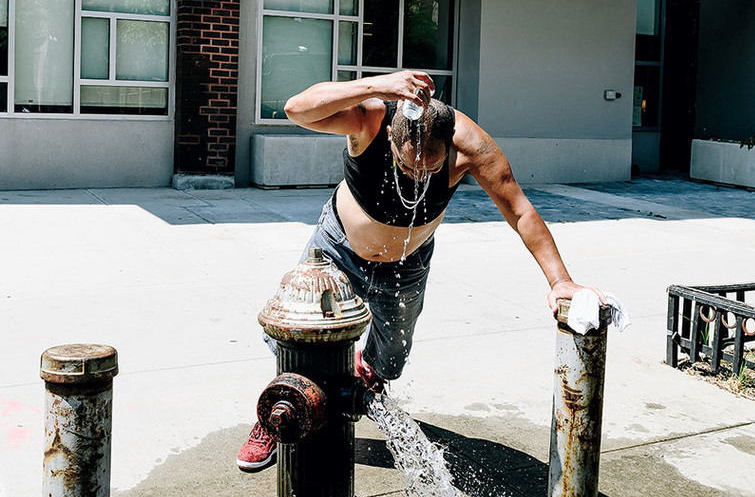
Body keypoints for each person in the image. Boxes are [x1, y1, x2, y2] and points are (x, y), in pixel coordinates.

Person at [236, 70, 601, 471]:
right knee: (300, 343)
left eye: (431, 167)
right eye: (410, 168)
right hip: (337, 251)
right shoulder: (370, 118)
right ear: (392, 137)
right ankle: (277, 414)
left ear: (451, 149)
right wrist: (376, 85)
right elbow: (295, 109)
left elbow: (519, 211)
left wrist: (559, 280)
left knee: (391, 358)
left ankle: (361, 383)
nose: (419, 178)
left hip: (406, 266)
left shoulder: (474, 147)